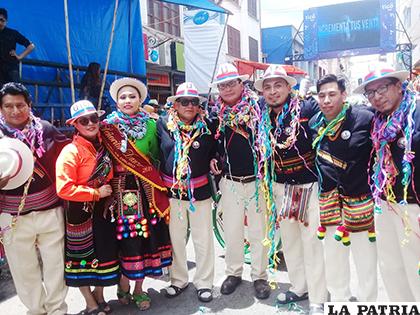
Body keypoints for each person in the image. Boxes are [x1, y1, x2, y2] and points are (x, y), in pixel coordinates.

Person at [254, 65, 327, 313]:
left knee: (311, 243)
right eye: (267, 87)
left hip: (307, 185)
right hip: (281, 188)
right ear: (262, 92)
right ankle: (299, 287)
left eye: (278, 85)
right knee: (291, 241)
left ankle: (318, 296)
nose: (273, 91)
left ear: (289, 86)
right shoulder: (262, 115)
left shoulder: (307, 109)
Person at [101, 77, 172, 311]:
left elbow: (157, 155)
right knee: (125, 237)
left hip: (146, 188)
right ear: (116, 101)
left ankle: (139, 288)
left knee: (145, 236)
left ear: (140, 99)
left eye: (132, 96)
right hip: (119, 189)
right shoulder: (107, 126)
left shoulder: (152, 124)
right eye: (123, 97)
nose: (128, 100)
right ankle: (123, 283)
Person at [0, 82, 68, 314]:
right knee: (23, 269)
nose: (15, 111)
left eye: (20, 105)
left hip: (50, 210)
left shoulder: (46, 129)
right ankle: (35, 311)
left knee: (56, 266)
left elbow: (67, 157)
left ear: (30, 105)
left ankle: (58, 310)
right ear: (1, 109)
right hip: (12, 218)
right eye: (8, 106)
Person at [309, 74, 377, 302]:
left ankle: (367, 303)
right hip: (328, 203)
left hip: (359, 201)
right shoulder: (314, 124)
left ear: (343, 95)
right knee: (334, 261)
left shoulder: (365, 118)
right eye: (322, 95)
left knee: (365, 261)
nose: (326, 100)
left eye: (332, 94)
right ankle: (340, 301)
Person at [354, 67, 420, 301]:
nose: (376, 97)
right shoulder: (378, 121)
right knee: (391, 266)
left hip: (413, 206)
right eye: (370, 93)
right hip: (385, 202)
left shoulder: (417, 112)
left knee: (416, 268)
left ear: (398, 86)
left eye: (382, 88)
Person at [209, 63, 271, 299]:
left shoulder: (258, 107)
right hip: (231, 182)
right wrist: (212, 159)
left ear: (241, 84)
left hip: (257, 181)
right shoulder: (216, 114)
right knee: (233, 231)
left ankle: (260, 276)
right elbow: (213, 146)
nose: (227, 89)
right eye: (222, 85)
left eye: (231, 83)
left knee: (258, 231)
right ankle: (233, 273)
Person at [56, 100, 120, 315]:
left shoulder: (105, 146)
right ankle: (90, 302)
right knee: (80, 258)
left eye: (94, 118)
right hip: (80, 212)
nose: (91, 123)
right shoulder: (70, 151)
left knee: (103, 253)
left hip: (102, 209)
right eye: (85, 120)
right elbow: (64, 188)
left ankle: (100, 295)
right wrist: (94, 192)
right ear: (76, 124)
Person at [157, 82, 216, 302]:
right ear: (175, 105)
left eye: (194, 102)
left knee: (203, 239)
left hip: (199, 192)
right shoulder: (163, 124)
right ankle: (178, 280)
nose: (189, 105)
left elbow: (216, 152)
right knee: (176, 239)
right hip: (172, 193)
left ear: (199, 106)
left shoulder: (209, 125)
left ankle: (204, 283)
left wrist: (213, 159)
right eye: (184, 101)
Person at [0, 8, 35, 87]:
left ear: (6, 21)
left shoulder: (13, 33)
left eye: (2, 20)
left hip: (11, 70)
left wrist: (20, 56)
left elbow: (31, 46)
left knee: (15, 93)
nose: (0, 22)